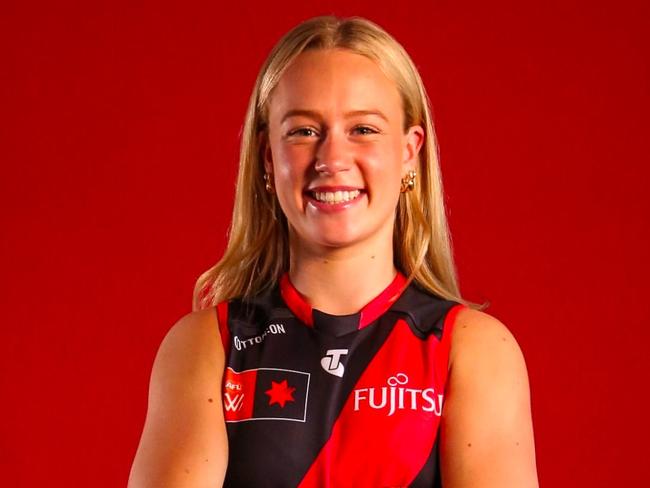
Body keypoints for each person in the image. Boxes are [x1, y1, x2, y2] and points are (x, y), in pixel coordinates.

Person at [129, 15, 538, 488]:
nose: (332, 159)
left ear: (410, 153)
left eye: (363, 129)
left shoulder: (471, 350)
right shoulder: (209, 346)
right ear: (267, 158)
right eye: (303, 131)